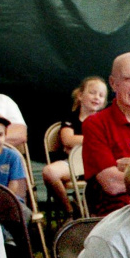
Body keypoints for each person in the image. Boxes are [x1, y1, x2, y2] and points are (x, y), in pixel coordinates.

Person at [81, 53, 130, 217]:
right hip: (118, 216)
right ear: (113, 83)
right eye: (128, 79)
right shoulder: (95, 124)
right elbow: (112, 184)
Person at [46, 76, 107, 216]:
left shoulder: (104, 121)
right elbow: (67, 140)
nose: (96, 97)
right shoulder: (71, 118)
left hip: (97, 165)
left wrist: (78, 142)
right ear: (80, 95)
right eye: (92, 92)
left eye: (101, 95)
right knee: (49, 172)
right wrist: (94, 141)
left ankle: (95, 214)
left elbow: (108, 142)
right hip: (73, 166)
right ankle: (70, 211)